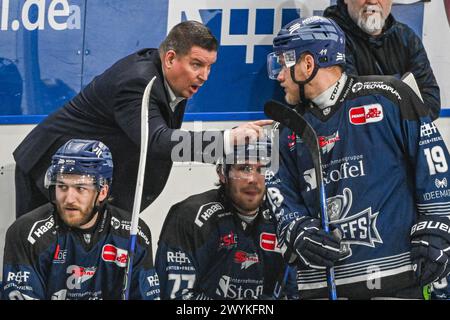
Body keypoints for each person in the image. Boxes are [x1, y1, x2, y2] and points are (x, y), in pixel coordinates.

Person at [265, 16, 450, 299]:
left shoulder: (389, 96)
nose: (279, 75)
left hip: (398, 280)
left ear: (308, 64)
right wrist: (296, 227)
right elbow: (278, 195)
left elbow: (435, 167)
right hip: (321, 288)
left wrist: (438, 226)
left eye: (283, 63)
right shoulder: (285, 129)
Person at [13, 20, 271, 218]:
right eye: (197, 64)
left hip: (90, 183)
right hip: (49, 171)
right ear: (170, 58)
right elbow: (157, 141)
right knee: (47, 267)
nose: (205, 75)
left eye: (210, 66)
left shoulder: (171, 80)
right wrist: (225, 141)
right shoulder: (137, 82)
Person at [2, 139, 159, 300]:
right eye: (62, 186)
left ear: (103, 191)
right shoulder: (26, 233)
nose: (69, 198)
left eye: (80, 188)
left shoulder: (133, 232)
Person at [155, 140, 297, 299]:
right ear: (222, 173)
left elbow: (293, 292)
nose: (253, 179)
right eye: (244, 168)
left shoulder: (284, 219)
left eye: (262, 169)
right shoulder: (189, 217)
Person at [323, 0, 441, 120]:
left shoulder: (406, 37)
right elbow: (350, 109)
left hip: (403, 136)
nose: (372, 1)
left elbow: (431, 101)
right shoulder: (329, 39)